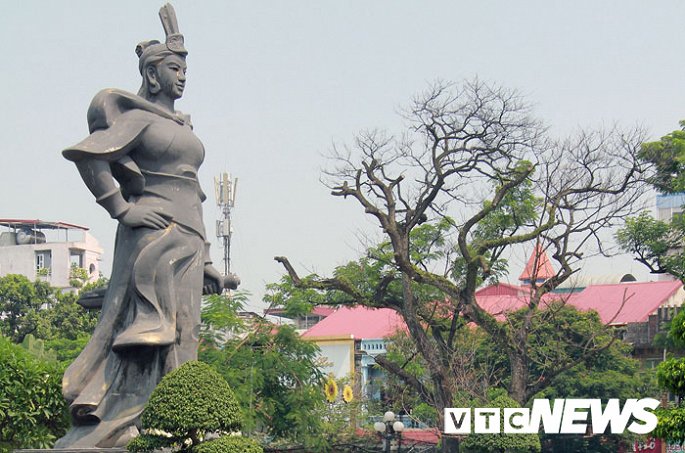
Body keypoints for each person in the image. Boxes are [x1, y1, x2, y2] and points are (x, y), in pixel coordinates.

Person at [55, 4, 226, 447]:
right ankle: (130, 421)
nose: (183, 76)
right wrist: (121, 209)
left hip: (188, 235)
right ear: (153, 74)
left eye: (185, 68)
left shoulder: (178, 125)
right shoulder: (138, 119)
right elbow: (90, 156)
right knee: (151, 328)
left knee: (186, 331)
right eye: (174, 68)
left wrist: (207, 258)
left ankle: (177, 426)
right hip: (151, 234)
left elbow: (196, 195)